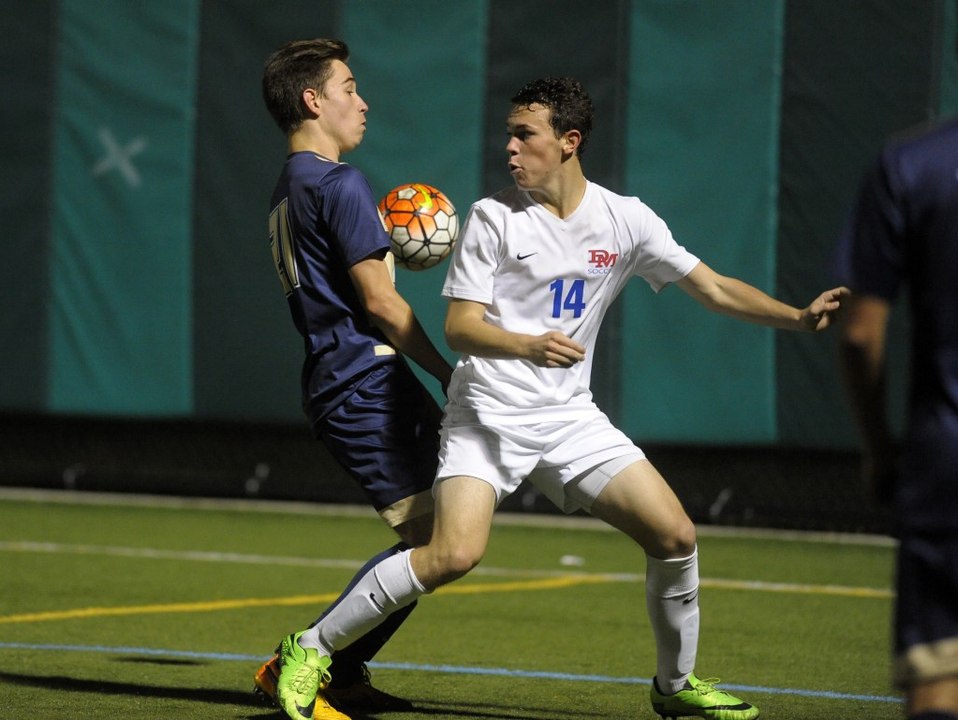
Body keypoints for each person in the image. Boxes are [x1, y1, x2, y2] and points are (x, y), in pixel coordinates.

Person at [271, 76, 848, 720]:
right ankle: (309, 648)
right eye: (509, 135)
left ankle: (675, 685)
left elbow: (712, 287)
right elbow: (461, 328)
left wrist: (798, 318)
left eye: (525, 135)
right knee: (452, 553)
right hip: (486, 414)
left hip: (570, 419)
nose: (510, 148)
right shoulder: (492, 217)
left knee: (674, 534)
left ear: (569, 142)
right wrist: (528, 345)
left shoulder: (626, 219)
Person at [256, 38, 454, 720]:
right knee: (439, 544)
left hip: (350, 380)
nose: (362, 102)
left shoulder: (289, 187)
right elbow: (381, 304)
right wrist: (447, 373)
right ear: (313, 100)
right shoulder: (339, 182)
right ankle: (305, 662)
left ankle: (339, 670)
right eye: (349, 88)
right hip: (362, 385)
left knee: (441, 539)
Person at [833, 117, 958, 720]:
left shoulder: (913, 162)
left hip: (946, 465)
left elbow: (860, 336)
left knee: (938, 679)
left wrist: (879, 449)